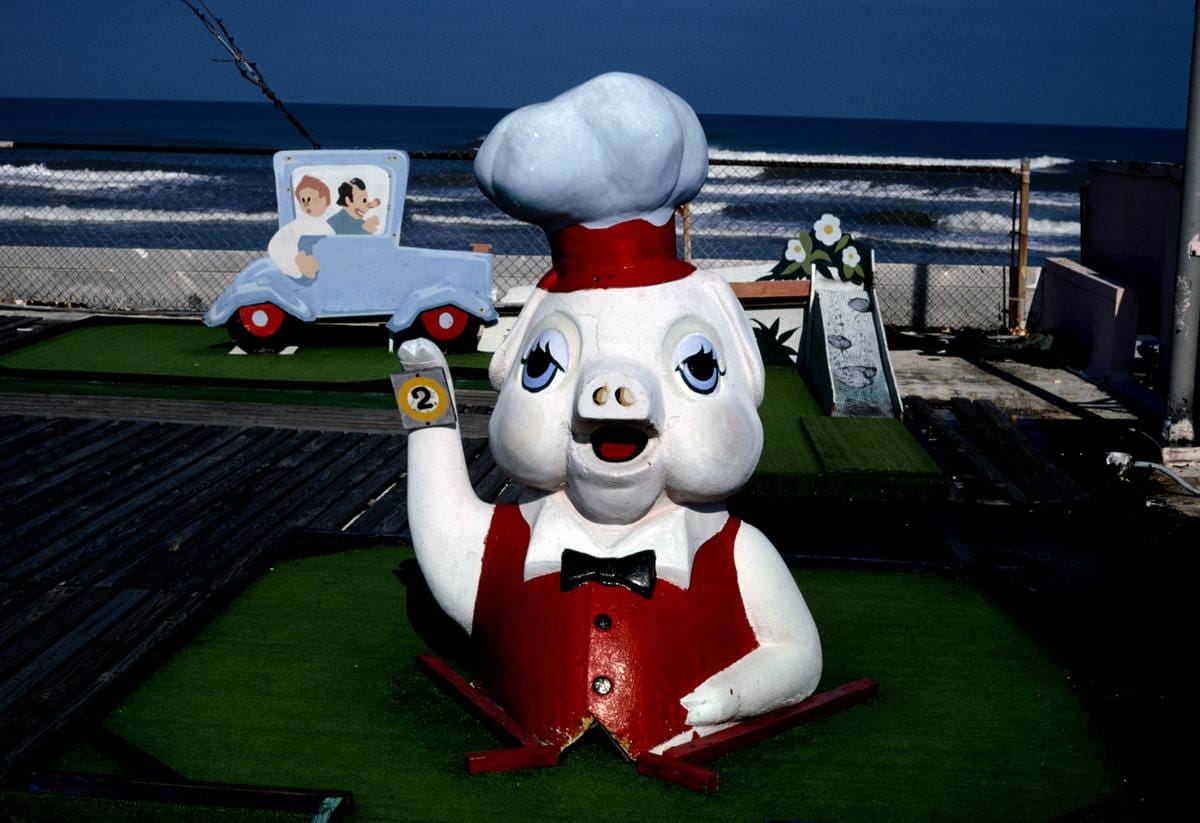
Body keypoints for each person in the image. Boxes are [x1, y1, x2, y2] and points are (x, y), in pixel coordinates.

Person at [267, 174, 334, 278]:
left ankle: (305, 266)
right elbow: (277, 245)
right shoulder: (299, 224)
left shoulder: (327, 224)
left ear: (325, 200)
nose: (306, 204)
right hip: (294, 258)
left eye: (310, 199)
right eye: (303, 200)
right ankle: (302, 266)